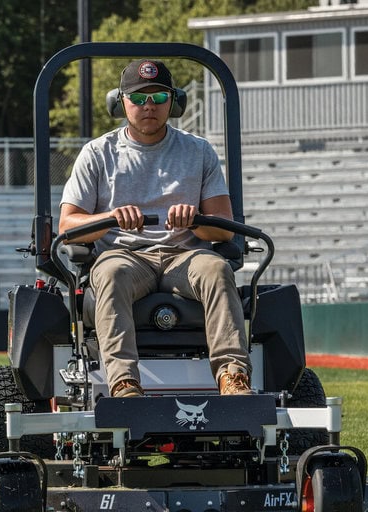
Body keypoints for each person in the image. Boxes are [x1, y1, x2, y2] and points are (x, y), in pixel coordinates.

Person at [59, 59, 251, 398]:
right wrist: (110, 217)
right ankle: (124, 382)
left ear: (173, 102)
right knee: (111, 273)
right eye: (139, 98)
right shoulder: (97, 153)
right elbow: (68, 225)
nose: (149, 106)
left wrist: (196, 220)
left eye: (159, 97)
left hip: (185, 255)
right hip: (124, 254)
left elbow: (223, 229)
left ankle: (233, 376)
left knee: (217, 269)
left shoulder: (198, 151)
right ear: (120, 102)